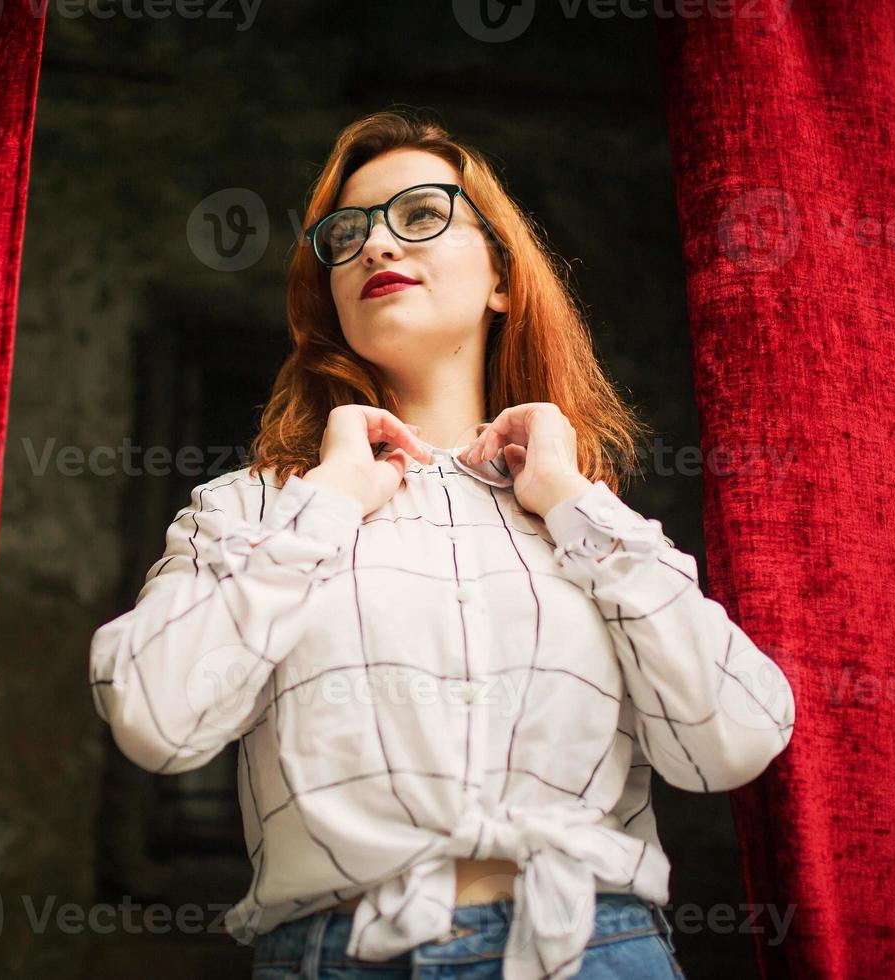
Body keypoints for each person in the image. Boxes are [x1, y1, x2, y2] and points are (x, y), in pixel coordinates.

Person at [89, 107, 795, 979]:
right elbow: (157, 720)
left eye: (420, 217)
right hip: (338, 957)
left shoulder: (584, 517)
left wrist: (573, 502)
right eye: (346, 236)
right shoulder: (250, 510)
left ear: (500, 273)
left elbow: (735, 740)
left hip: (596, 955)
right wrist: (327, 506)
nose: (377, 247)